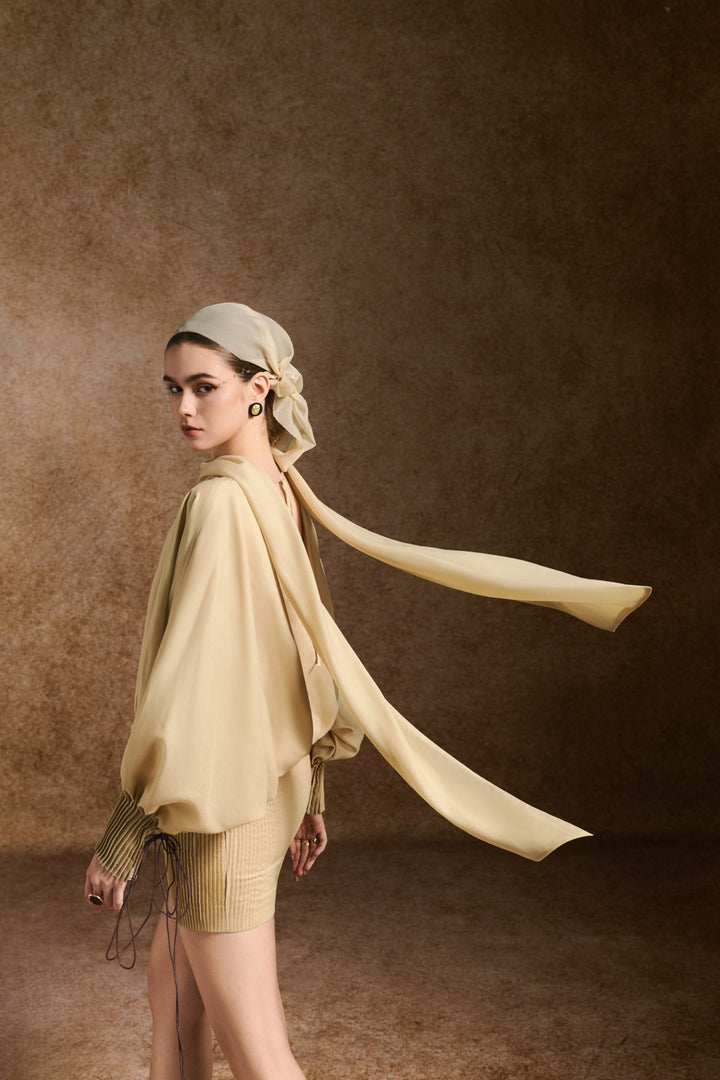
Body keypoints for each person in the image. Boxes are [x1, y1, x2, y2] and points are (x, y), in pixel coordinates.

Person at [85, 302, 650, 1080]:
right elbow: (297, 655)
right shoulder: (277, 485)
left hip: (223, 810)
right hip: (255, 789)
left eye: (203, 387)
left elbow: (195, 680)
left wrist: (124, 833)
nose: (183, 407)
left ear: (259, 389)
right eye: (172, 388)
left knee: (260, 1057)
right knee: (174, 1001)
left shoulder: (219, 501)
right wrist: (312, 786)